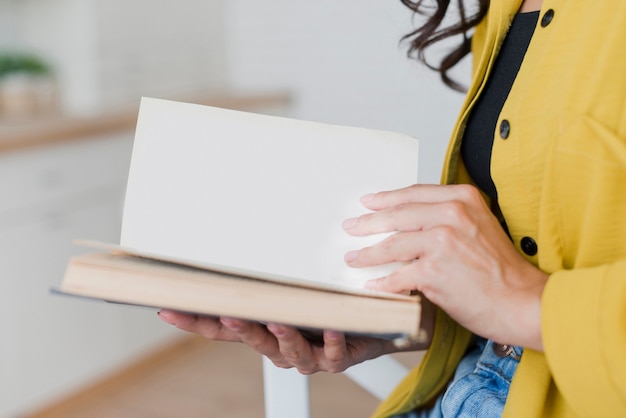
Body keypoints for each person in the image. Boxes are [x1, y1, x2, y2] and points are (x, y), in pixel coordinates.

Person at [158, 0, 626, 416]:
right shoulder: (504, 9)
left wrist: (532, 307)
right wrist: (399, 316)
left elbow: (521, 294)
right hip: (469, 381)